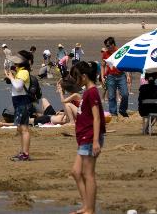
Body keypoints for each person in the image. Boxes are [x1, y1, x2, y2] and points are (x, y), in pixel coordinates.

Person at [70, 60, 104, 214]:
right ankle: (86, 206)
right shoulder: (87, 92)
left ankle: (90, 209)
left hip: (90, 138)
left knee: (88, 174)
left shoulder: (92, 92)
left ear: (84, 76)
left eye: (77, 77)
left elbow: (97, 118)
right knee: (76, 172)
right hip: (83, 137)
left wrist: (96, 141)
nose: (76, 80)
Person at [8, 52, 33, 161]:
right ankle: (23, 152)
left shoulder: (23, 72)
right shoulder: (21, 71)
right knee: (21, 128)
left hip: (22, 101)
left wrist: (11, 77)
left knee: (24, 128)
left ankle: (25, 153)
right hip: (20, 101)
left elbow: (18, 87)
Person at [100, 37, 129, 118]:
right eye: (106, 46)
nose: (107, 47)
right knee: (111, 96)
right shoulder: (105, 53)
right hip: (110, 76)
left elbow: (125, 64)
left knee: (125, 94)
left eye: (108, 45)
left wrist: (128, 75)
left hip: (121, 75)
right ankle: (113, 113)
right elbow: (103, 66)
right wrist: (102, 77)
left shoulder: (119, 51)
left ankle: (122, 110)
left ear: (113, 44)